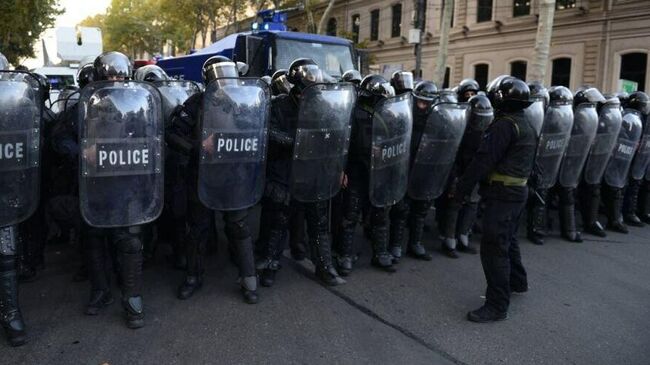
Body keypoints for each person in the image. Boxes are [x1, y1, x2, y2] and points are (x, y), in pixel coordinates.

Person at [167, 55, 265, 303]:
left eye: (227, 72)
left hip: (233, 176)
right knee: (197, 229)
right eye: (218, 73)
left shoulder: (241, 103)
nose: (223, 78)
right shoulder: (196, 103)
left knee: (239, 225)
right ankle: (193, 276)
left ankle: (249, 278)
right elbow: (173, 134)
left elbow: (256, 131)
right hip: (201, 176)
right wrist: (197, 147)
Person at [74, 51, 159, 329]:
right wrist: (82, 152)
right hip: (96, 186)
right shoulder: (83, 104)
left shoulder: (139, 104)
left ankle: (133, 299)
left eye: (120, 76)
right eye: (110, 75)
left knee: (131, 241)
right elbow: (58, 139)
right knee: (94, 237)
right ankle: (101, 291)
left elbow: (156, 138)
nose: (116, 80)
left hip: (128, 184)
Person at [256, 58, 349, 285]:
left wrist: (339, 169)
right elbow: (267, 132)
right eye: (302, 91)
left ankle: (325, 267)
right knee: (278, 223)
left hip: (315, 173)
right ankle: (270, 264)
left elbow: (335, 139)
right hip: (284, 173)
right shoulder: (277, 105)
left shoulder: (324, 106)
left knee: (318, 223)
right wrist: (297, 142)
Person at [454, 76, 536, 323]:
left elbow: (483, 160)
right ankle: (517, 281)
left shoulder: (503, 125)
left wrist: (461, 190)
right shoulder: (526, 124)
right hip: (517, 193)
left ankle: (497, 305)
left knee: (494, 248)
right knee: (508, 239)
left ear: (500, 98)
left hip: (503, 195)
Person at [337, 74, 411, 274]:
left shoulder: (387, 115)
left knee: (380, 215)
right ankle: (345, 256)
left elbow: (395, 141)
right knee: (350, 217)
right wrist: (341, 170)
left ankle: (381, 253)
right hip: (357, 172)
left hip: (380, 174)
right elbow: (344, 144)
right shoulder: (354, 114)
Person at [0, 57, 44, 346]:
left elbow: (26, 148)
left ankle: (11, 314)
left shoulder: (13, 105)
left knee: (5, 257)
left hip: (3, 192)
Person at [389, 81, 439, 263]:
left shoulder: (436, 122)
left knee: (420, 210)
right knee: (401, 211)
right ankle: (395, 245)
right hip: (405, 171)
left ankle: (415, 243)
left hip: (425, 171)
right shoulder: (405, 117)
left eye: (427, 103)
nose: (424, 106)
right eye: (421, 102)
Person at [438, 94, 493, 257]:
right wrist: (454, 176)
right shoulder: (460, 129)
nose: (481, 122)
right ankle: (449, 241)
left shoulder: (487, 133)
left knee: (472, 204)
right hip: (460, 172)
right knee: (454, 205)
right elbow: (453, 154)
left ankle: (463, 237)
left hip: (475, 173)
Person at [526, 86, 574, 245]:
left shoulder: (560, 116)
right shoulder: (536, 115)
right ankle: (536, 229)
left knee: (551, 195)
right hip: (538, 162)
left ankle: (549, 226)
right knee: (540, 196)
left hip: (556, 161)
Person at [555, 88, 600, 242]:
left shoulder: (587, 116)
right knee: (563, 192)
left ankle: (573, 227)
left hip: (575, 160)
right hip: (561, 160)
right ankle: (567, 229)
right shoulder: (570, 116)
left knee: (570, 192)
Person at [578, 92, 623, 237]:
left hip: (598, 158)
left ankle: (594, 220)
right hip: (579, 158)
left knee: (595, 188)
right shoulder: (583, 116)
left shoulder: (603, 119)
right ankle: (585, 222)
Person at [601, 94, 643, 233]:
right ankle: (613, 219)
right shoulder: (620, 117)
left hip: (621, 157)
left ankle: (616, 218)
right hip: (608, 156)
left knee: (618, 187)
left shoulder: (633, 119)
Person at [622, 92, 650, 226]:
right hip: (629, 153)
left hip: (641, 154)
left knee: (638, 183)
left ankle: (638, 211)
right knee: (630, 183)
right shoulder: (628, 117)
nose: (645, 108)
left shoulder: (643, 117)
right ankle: (628, 212)